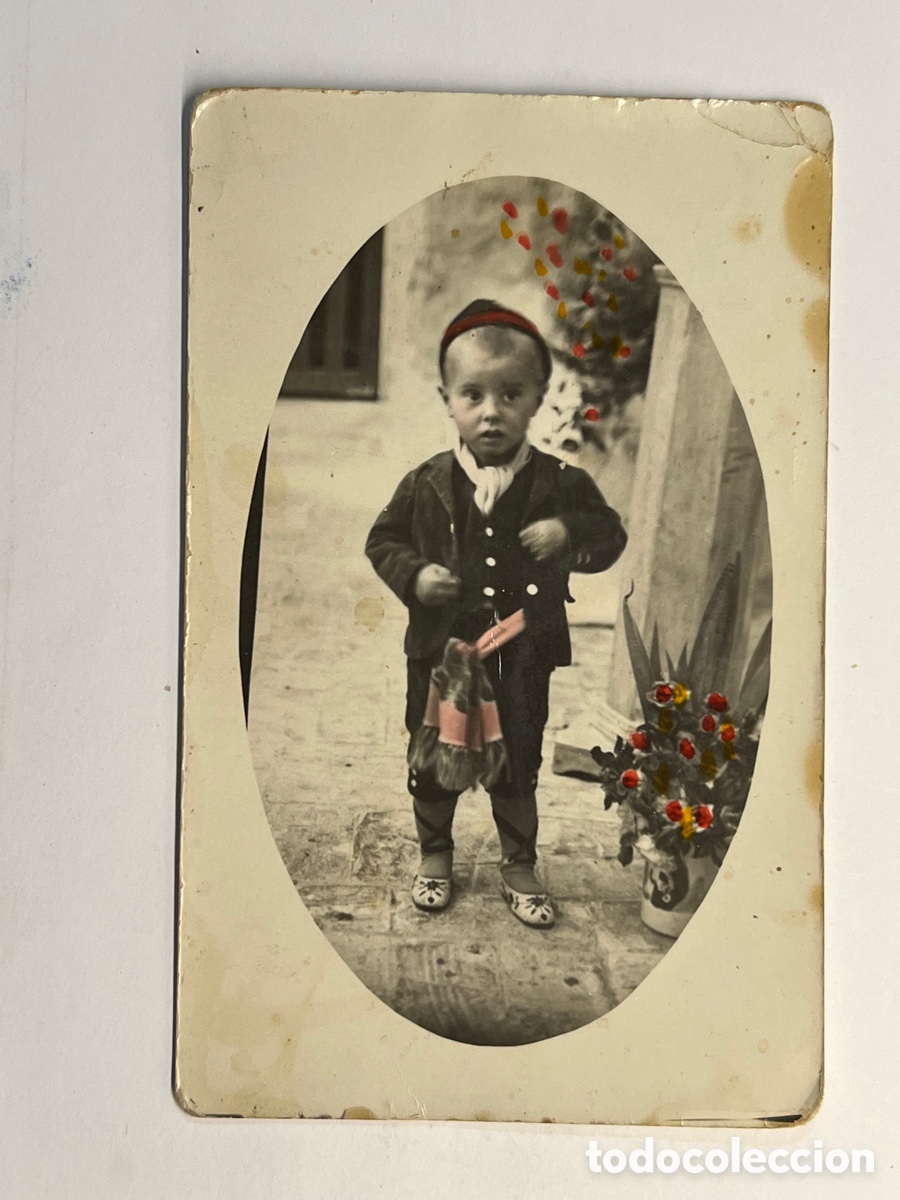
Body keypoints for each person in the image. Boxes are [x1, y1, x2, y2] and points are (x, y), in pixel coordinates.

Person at [365, 300, 627, 927]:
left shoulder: (561, 483)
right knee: (434, 754)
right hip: (443, 652)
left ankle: (518, 863)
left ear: (539, 397)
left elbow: (609, 534)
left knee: (518, 751)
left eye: (511, 394)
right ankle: (434, 853)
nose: (491, 412)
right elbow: (384, 540)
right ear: (447, 399)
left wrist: (569, 533)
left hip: (521, 651)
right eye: (473, 394)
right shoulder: (425, 482)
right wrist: (416, 574)